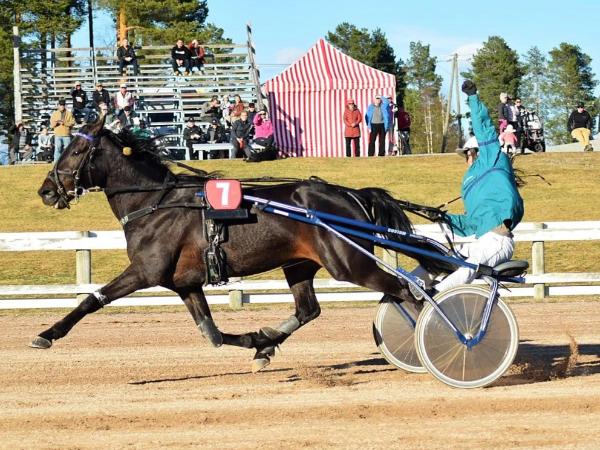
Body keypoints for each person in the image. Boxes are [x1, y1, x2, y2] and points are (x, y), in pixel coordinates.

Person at [409, 80, 524, 300]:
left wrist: (472, 97)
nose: (466, 160)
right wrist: (442, 216)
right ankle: (409, 286)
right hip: (481, 241)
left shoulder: (492, 158)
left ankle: (434, 297)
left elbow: (483, 128)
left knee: (468, 266)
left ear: (476, 152)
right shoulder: (470, 184)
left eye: (467, 155)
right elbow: (470, 224)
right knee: (440, 258)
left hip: (499, 241)